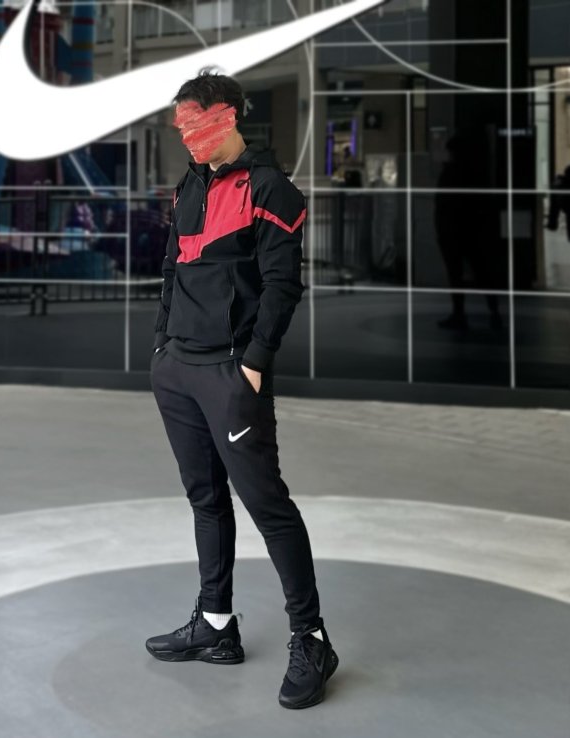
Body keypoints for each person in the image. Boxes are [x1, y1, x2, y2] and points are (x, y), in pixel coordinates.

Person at [146, 70, 338, 710]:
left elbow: (283, 285)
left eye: (195, 123)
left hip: (232, 372)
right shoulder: (188, 186)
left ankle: (311, 639)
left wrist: (254, 364)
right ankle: (216, 624)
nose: (187, 137)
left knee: (266, 504)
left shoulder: (270, 188)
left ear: (227, 116)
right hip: (178, 369)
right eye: (181, 128)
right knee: (205, 498)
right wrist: (162, 347)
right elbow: (173, 268)